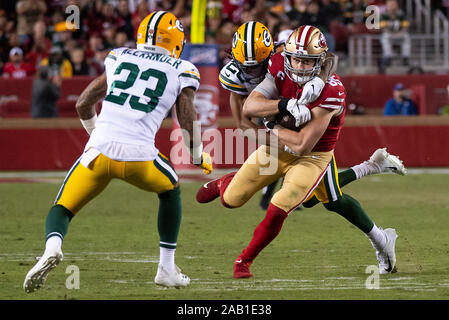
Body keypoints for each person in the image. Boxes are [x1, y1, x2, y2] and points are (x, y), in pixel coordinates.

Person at [23, 10, 213, 293]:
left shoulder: (119, 56)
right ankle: (166, 268)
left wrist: (98, 136)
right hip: (140, 157)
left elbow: (83, 104)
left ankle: (51, 248)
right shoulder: (182, 68)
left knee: (62, 207)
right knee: (171, 190)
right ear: (174, 39)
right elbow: (186, 117)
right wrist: (197, 155)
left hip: (99, 152)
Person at [197, 25, 403, 279]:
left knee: (303, 201)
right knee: (234, 199)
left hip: (312, 153)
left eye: (307, 62)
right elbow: (246, 118)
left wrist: (314, 83)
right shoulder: (268, 68)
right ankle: (371, 171)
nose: (299, 66)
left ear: (271, 54)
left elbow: (302, 144)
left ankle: (244, 261)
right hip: (276, 143)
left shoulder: (328, 89)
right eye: (296, 59)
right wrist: (282, 108)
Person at [379, 0, 411, 72]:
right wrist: (392, 34)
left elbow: (406, 27)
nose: (392, 7)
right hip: (390, 35)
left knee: (406, 37)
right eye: (390, 5)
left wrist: (400, 33)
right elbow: (383, 29)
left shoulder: (401, 14)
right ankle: (388, 57)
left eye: (393, 5)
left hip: (399, 35)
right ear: (387, 6)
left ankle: (405, 57)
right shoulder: (383, 15)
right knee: (385, 37)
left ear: (397, 6)